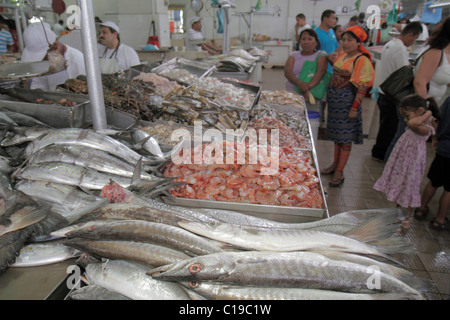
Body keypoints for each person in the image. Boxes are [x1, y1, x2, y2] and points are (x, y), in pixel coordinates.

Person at [374, 94, 440, 230]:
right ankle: (398, 215)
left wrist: (427, 113)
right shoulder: (417, 123)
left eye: (407, 115)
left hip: (412, 165)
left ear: (420, 111)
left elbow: (411, 123)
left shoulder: (424, 127)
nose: (405, 119)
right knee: (402, 189)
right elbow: (411, 122)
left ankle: (404, 219)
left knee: (408, 190)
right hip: (404, 163)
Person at [320, 26, 375, 188]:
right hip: (336, 103)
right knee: (337, 137)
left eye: (350, 40)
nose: (345, 43)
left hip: (348, 103)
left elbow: (362, 87)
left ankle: (340, 171)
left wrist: (354, 108)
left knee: (345, 139)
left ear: (358, 42)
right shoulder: (343, 55)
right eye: (343, 39)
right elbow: (338, 66)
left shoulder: (362, 60)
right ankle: (335, 164)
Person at [371, 22, 423, 162]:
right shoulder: (400, 49)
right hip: (392, 94)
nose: (413, 42)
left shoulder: (390, 44)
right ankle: (382, 153)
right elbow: (404, 72)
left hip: (384, 91)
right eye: (414, 38)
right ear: (410, 34)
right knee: (390, 127)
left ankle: (378, 151)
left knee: (385, 125)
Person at [414, 97, 450, 231]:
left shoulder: (448, 100)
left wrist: (435, 137)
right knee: (448, 189)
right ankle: (440, 220)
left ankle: (421, 209)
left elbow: (437, 119)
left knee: (433, 181)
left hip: (443, 148)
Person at [21, 22, 86, 91]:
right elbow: (39, 85)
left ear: (55, 46)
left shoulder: (78, 59)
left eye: (45, 56)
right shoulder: (43, 62)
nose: (44, 60)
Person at [285, 29, 327, 105]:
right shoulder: (293, 55)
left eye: (310, 39)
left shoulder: (320, 55)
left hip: (312, 93)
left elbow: (320, 72)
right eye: (303, 39)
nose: (306, 42)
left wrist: (307, 89)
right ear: (300, 41)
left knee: (311, 115)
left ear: (316, 42)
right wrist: (299, 83)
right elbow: (287, 72)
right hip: (292, 93)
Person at [414, 17, 450, 104]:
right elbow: (419, 83)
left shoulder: (445, 52)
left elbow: (441, 76)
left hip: (435, 103)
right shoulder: (436, 52)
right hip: (421, 106)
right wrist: (423, 111)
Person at [314, 10, 339, 124]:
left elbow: (336, 47)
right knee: (319, 94)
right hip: (321, 69)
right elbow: (313, 52)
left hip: (332, 69)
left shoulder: (331, 32)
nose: (335, 21)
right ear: (325, 19)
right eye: (333, 18)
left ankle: (323, 115)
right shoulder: (316, 33)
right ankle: (318, 115)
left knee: (327, 95)